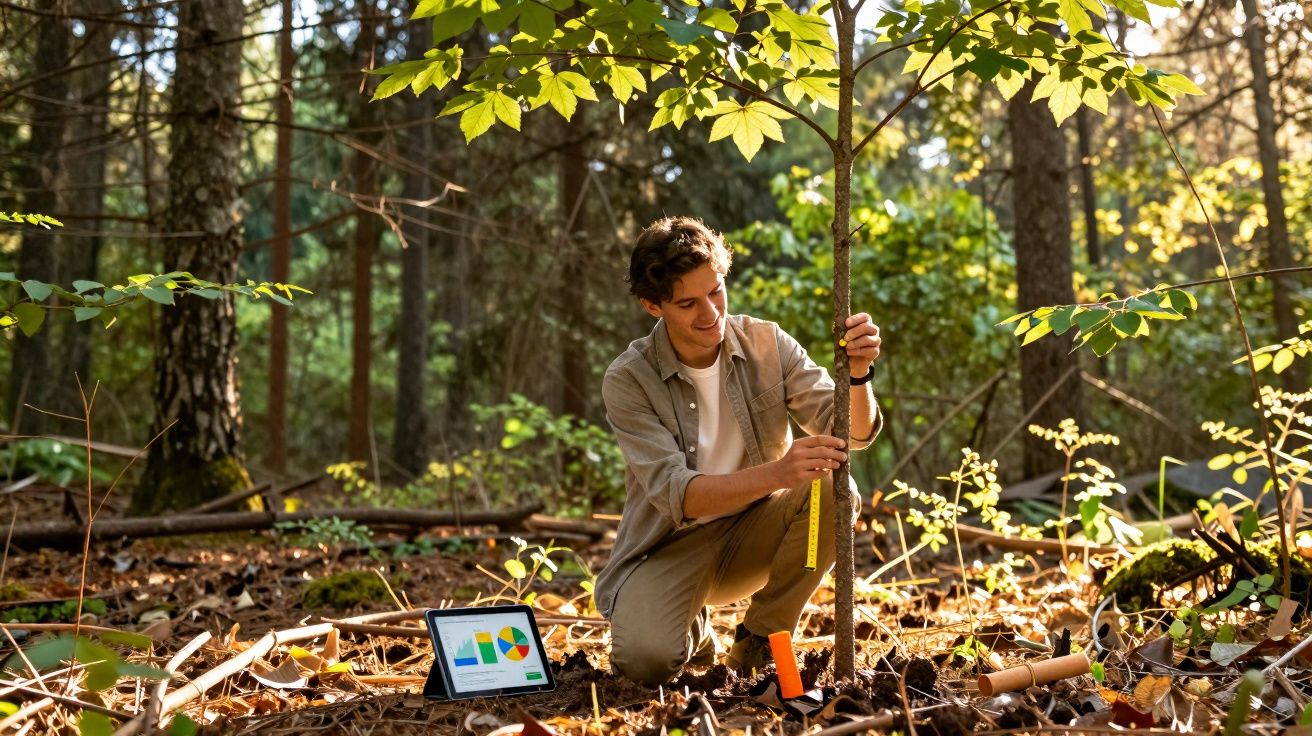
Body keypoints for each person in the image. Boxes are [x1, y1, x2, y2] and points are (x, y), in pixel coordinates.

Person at [595, 216, 883, 685]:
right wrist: (779, 473)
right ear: (653, 306)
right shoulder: (629, 379)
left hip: (757, 532)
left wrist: (858, 373)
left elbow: (851, 433)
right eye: (688, 303)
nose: (710, 312)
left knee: (837, 490)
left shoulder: (768, 343)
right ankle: (693, 631)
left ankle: (758, 642)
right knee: (647, 664)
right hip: (668, 548)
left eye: (716, 292)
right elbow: (678, 495)